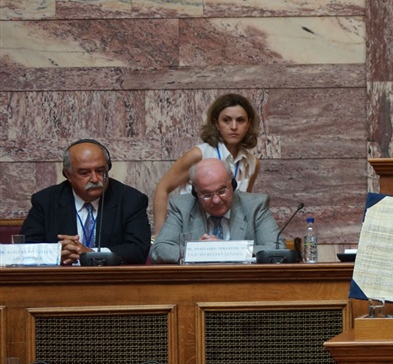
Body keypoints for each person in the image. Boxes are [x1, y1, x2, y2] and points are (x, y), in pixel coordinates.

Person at [20, 139, 151, 265]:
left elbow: (138, 250)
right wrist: (55, 254)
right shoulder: (46, 201)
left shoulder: (131, 200)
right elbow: (25, 248)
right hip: (60, 278)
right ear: (68, 175)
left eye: (100, 171)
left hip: (112, 278)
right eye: (84, 173)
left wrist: (91, 254)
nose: (95, 179)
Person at [152, 93, 261, 235]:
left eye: (240, 120)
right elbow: (163, 188)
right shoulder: (199, 154)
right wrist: (159, 237)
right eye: (226, 120)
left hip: (230, 236)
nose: (234, 126)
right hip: (194, 232)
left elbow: (244, 204)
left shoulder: (252, 163)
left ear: (248, 124)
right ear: (216, 123)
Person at [149, 158, 280, 264]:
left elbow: (277, 249)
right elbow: (158, 249)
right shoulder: (182, 207)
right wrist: (199, 251)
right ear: (195, 192)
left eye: (222, 191)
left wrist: (224, 249)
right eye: (207, 195)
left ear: (232, 184)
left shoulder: (255, 206)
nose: (216, 200)